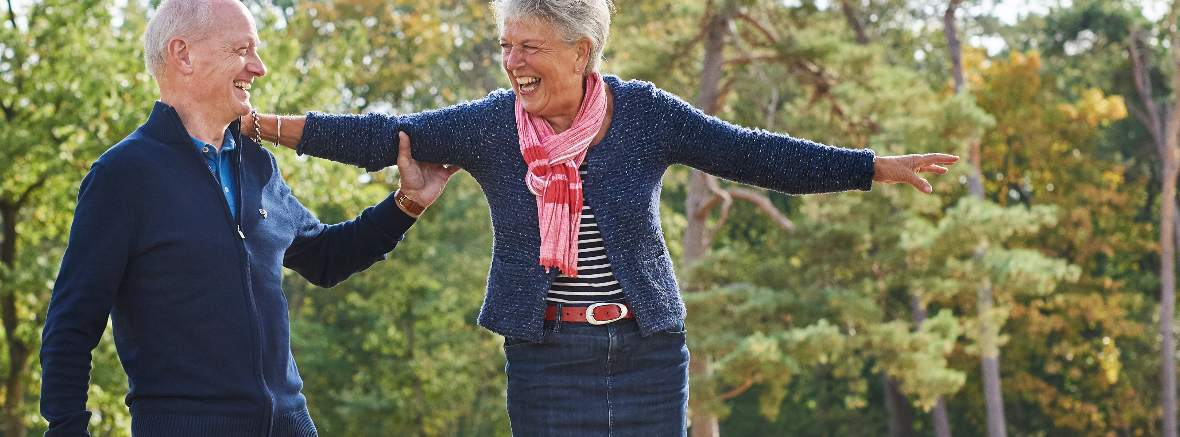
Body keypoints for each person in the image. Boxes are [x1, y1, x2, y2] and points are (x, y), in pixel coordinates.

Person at [240, 0, 956, 433]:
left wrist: (869, 167)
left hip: (648, 349)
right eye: (505, 45)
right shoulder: (491, 126)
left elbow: (755, 155)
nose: (511, 62)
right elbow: (379, 136)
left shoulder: (643, 114)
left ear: (581, 51)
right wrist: (261, 123)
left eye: (529, 46)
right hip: (545, 355)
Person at [36, 0, 459, 436]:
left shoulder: (257, 164)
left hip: (291, 426)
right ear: (183, 54)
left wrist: (408, 203)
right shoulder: (123, 176)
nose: (259, 67)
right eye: (242, 50)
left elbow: (326, 258)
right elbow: (71, 326)